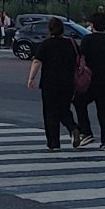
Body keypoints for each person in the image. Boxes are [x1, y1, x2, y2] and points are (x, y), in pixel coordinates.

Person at [27, 15, 81, 152]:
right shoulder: (71, 43)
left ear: (50, 30)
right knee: (64, 109)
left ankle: (53, 142)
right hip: (68, 82)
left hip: (49, 83)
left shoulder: (46, 44)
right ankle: (73, 127)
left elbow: (37, 61)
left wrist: (31, 78)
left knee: (50, 112)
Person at [74, 12, 105, 148]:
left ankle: (86, 131)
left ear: (93, 25)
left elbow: (81, 59)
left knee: (79, 102)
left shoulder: (87, 40)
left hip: (91, 80)